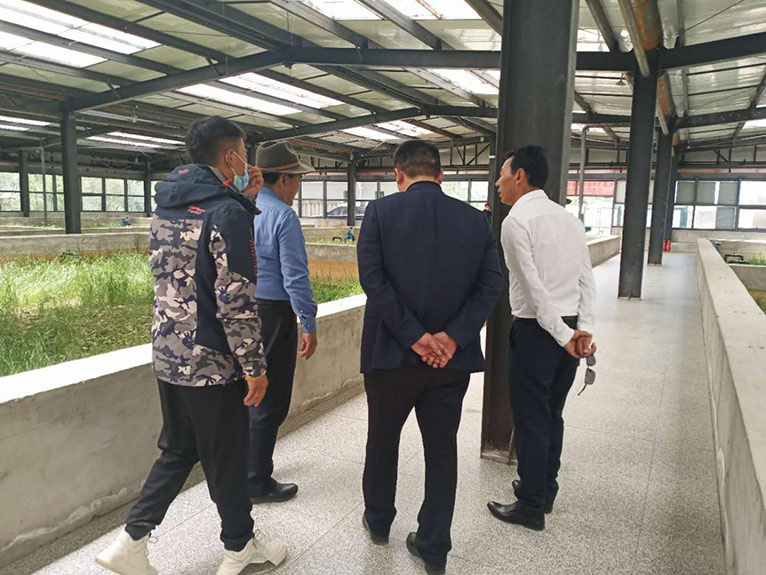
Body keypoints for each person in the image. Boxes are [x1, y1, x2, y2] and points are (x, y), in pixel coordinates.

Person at [95, 116, 287, 575]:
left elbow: (192, 267)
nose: (248, 164)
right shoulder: (227, 214)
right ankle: (239, 548)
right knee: (227, 455)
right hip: (211, 362)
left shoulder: (168, 205)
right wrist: (255, 367)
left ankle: (130, 542)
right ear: (230, 157)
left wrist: (243, 199)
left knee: (181, 449)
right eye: (244, 154)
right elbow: (236, 300)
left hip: (169, 353)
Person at [358, 140, 504, 575]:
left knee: (382, 440)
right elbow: (491, 285)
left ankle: (379, 521)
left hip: (390, 357)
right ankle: (434, 545)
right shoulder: (475, 220)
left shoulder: (380, 213)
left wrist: (415, 337)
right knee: (441, 450)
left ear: (398, 175)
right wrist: (452, 338)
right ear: (442, 176)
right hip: (450, 362)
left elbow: (372, 280)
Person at [487, 146, 597, 532]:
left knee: (531, 418)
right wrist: (582, 330)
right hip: (569, 327)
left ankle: (530, 505)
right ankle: (545, 489)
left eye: (502, 174)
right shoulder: (569, 219)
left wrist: (564, 334)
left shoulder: (516, 222)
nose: (498, 183)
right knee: (552, 414)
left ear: (519, 176)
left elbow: (533, 289)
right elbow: (586, 280)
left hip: (538, 331)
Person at [248, 141, 318, 504]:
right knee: (270, 399)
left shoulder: (243, 208)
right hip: (274, 314)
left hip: (244, 311)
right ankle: (256, 482)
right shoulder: (284, 217)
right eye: (297, 179)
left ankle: (246, 468)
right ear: (284, 180)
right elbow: (295, 276)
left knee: (249, 392)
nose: (298, 187)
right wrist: (308, 321)